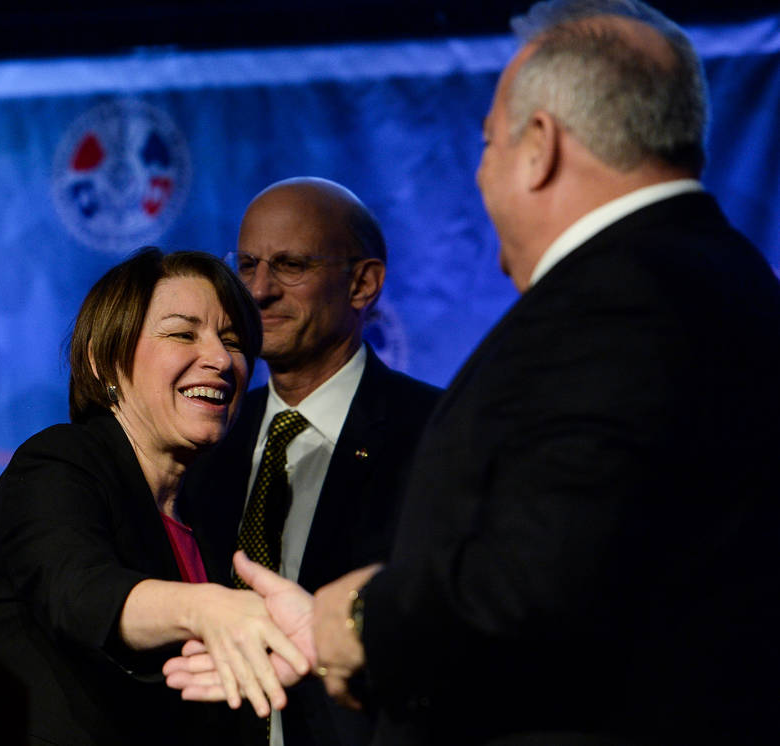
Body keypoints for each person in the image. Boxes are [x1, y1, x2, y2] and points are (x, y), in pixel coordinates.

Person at [166, 2, 780, 744]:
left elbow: (541, 579)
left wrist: (355, 619)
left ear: (540, 147)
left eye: (488, 144)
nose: (482, 175)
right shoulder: (720, 273)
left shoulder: (621, 301)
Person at [0, 248, 311, 746]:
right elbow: (78, 591)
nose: (222, 360)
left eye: (234, 341)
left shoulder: (207, 512)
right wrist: (206, 609)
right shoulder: (60, 462)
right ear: (104, 362)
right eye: (183, 334)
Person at [178, 177, 442, 746]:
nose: (259, 290)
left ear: (362, 283)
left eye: (290, 265)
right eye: (246, 265)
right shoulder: (204, 435)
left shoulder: (437, 433)